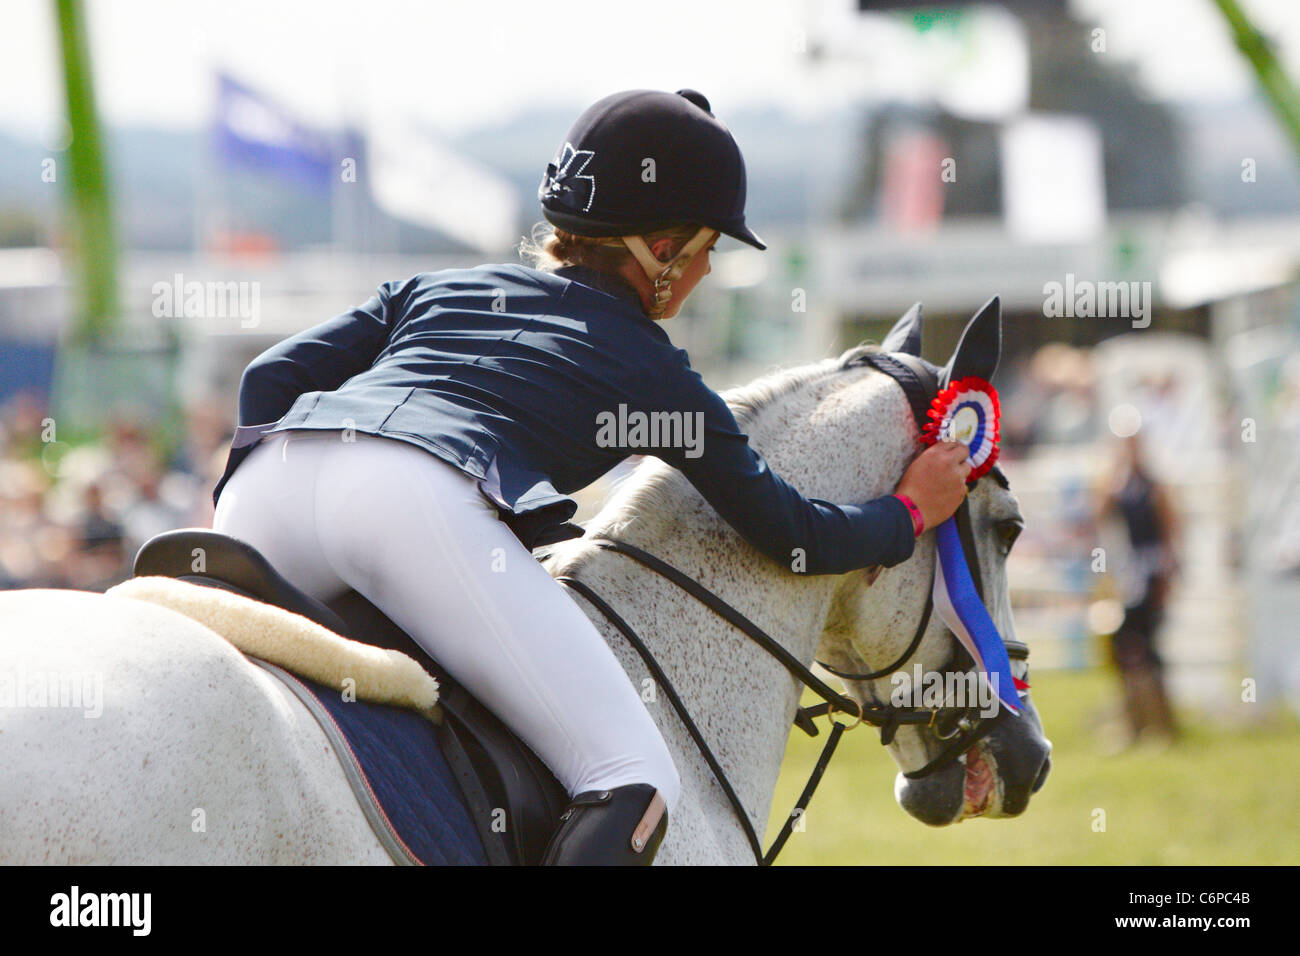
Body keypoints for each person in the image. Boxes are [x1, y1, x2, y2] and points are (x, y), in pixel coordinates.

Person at [210, 89, 972, 864]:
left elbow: (268, 378)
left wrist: (249, 493)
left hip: (265, 489)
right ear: (665, 248)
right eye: (711, 247)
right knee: (633, 778)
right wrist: (909, 511)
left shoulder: (440, 286)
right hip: (408, 503)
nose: (710, 267)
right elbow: (794, 533)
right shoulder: (652, 368)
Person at [1098, 433, 1180, 746]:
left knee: (1148, 646)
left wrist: (1168, 576)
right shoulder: (1118, 485)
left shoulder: (1154, 485)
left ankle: (1161, 724)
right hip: (1129, 573)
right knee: (1126, 647)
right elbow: (1100, 513)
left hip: (1151, 572)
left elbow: (1170, 530)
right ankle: (1135, 721)